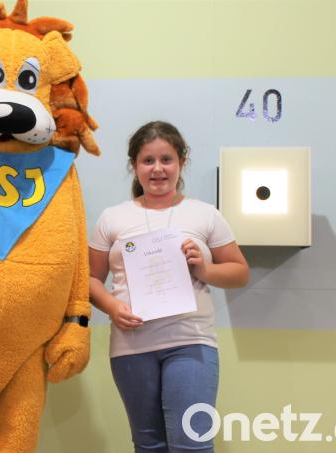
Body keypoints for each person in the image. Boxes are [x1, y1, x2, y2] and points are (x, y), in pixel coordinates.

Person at [88, 121, 249, 453]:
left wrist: (204, 268)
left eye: (166, 159)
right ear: (134, 165)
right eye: (148, 160)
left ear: (181, 163)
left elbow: (239, 272)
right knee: (149, 445)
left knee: (193, 444)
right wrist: (112, 307)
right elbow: (89, 280)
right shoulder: (111, 218)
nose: (157, 169)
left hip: (191, 341)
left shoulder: (206, 215)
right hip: (131, 348)